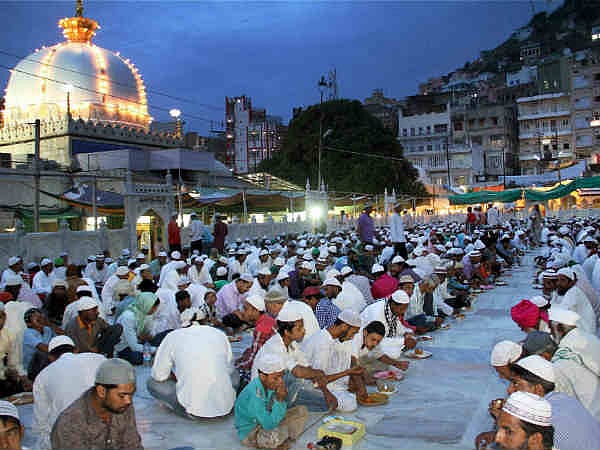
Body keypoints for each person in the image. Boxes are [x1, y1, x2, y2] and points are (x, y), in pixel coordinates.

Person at [148, 307, 236, 419]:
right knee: (234, 374)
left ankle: (181, 404)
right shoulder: (219, 334)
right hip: (226, 407)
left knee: (152, 383)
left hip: (191, 410)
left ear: (182, 323)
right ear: (204, 321)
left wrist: (174, 376)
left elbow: (159, 375)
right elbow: (229, 369)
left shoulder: (173, 336)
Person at [507, 355, 600, 450]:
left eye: (516, 383)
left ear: (538, 389)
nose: (510, 390)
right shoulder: (563, 399)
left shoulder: (546, 418)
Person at [51, 358, 143, 450]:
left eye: (131, 394)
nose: (128, 401)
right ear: (101, 391)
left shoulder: (121, 406)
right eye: (122, 395)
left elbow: (133, 445)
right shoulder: (70, 423)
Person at [33, 336, 106, 450]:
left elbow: (41, 421)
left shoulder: (42, 377)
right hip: (105, 430)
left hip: (69, 437)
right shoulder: (98, 358)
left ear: (51, 357)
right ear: (75, 350)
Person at [235, 354, 308, 450]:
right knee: (273, 435)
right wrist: (280, 400)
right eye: (276, 378)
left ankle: (282, 437)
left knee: (301, 410)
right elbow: (268, 425)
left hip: (266, 420)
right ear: (262, 376)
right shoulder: (254, 395)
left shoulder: (269, 385)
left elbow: (272, 412)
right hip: (251, 431)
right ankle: (279, 439)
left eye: (281, 377)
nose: (280, 381)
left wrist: (280, 401)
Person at [301, 310, 365, 411]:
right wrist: (348, 372)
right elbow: (317, 381)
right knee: (349, 404)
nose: (352, 337)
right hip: (311, 387)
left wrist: (355, 379)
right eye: (353, 333)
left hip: (332, 386)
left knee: (352, 396)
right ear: (344, 326)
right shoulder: (322, 342)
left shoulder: (337, 339)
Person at [548, 307, 600, 420]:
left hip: (590, 413)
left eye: (551, 329)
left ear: (559, 327)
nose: (551, 334)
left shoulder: (563, 354)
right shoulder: (591, 338)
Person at [360, 289, 417, 359]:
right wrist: (404, 341)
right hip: (366, 343)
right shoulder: (377, 312)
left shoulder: (391, 308)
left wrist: (406, 333)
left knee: (397, 348)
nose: (403, 312)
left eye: (405, 309)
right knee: (394, 353)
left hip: (380, 340)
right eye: (402, 309)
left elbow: (398, 326)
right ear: (393, 304)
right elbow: (377, 339)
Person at [236, 295, 276, 385]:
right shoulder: (268, 319)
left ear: (255, 311)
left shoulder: (261, 329)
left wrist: (236, 367)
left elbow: (253, 359)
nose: (243, 312)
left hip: (270, 368)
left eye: (246, 309)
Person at [114, 292, 160, 365]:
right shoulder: (128, 317)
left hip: (140, 341)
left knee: (164, 336)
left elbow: (149, 334)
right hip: (126, 347)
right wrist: (156, 350)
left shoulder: (144, 313)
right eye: (154, 307)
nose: (155, 310)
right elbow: (134, 346)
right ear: (146, 305)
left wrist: (148, 337)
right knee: (137, 357)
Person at [553, 267, 596, 334]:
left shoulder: (574, 292)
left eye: (562, 280)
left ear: (572, 282)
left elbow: (561, 313)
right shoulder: (566, 291)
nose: (558, 283)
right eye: (557, 280)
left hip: (584, 332)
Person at [0, 304, 29, 397]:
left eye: (0, 317)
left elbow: (14, 362)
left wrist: (22, 377)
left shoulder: (9, 334)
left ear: (4, 317)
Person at [22, 307, 55, 378]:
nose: (40, 319)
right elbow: (44, 348)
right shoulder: (28, 333)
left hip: (47, 363)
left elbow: (61, 336)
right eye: (36, 318)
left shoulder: (47, 329)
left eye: (41, 316)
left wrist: (50, 324)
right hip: (33, 367)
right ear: (29, 323)